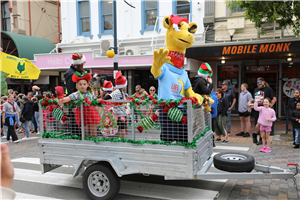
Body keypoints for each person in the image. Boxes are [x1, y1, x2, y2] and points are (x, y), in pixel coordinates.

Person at [59, 72, 101, 138]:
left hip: (92, 114)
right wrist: (60, 100)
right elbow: (67, 98)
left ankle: (93, 146)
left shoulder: (92, 94)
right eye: (80, 84)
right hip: (82, 115)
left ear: (87, 85)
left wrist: (99, 114)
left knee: (94, 133)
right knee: (85, 134)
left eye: (84, 84)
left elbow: (95, 105)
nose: (82, 86)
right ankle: (86, 145)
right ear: (77, 85)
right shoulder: (76, 94)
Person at [100, 72, 129, 139]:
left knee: (122, 132)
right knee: (121, 132)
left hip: (122, 114)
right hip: (118, 115)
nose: (126, 86)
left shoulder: (121, 92)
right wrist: (101, 100)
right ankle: (120, 144)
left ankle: (121, 143)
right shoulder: (117, 91)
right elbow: (109, 96)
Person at [248, 77, 277, 145]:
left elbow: (274, 98)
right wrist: (250, 102)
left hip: (265, 110)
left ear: (264, 82)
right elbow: (253, 98)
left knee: (263, 124)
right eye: (257, 82)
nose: (259, 84)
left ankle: (261, 139)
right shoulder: (256, 89)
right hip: (258, 109)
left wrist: (270, 106)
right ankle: (255, 135)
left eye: (260, 82)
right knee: (257, 123)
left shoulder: (268, 89)